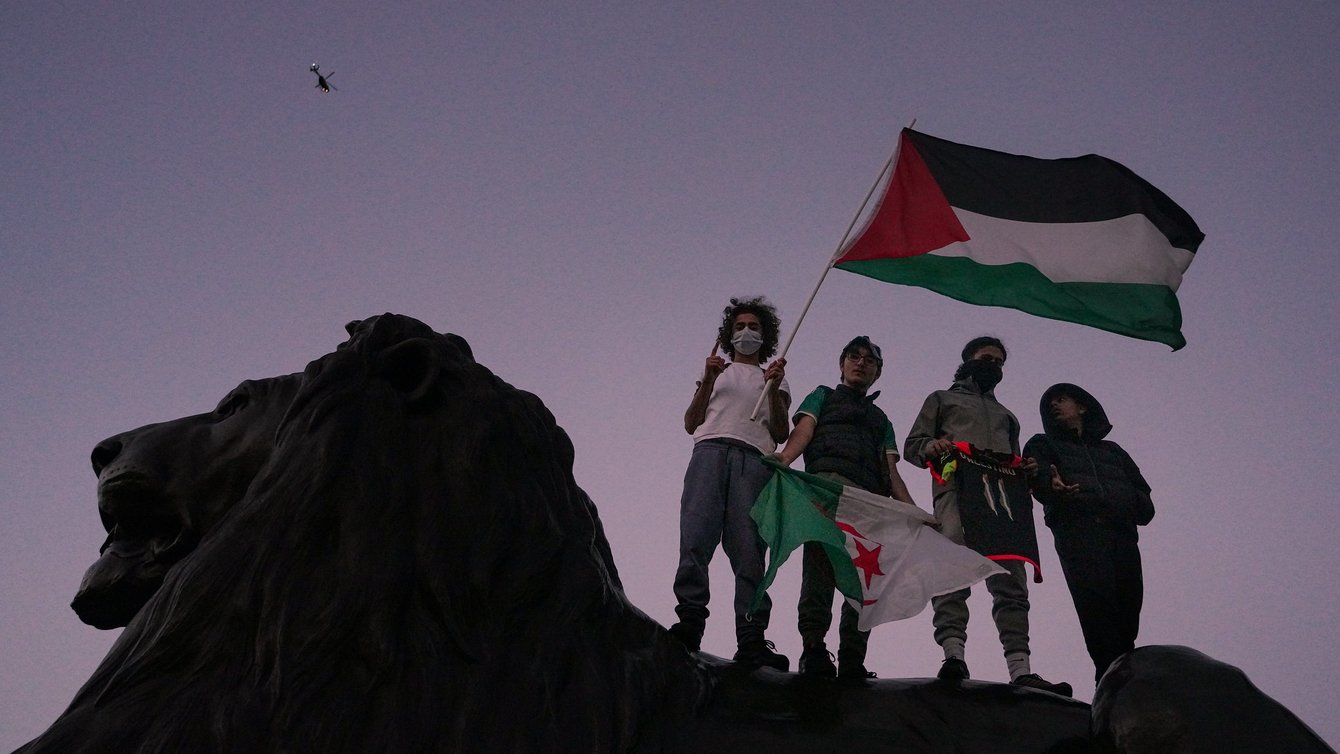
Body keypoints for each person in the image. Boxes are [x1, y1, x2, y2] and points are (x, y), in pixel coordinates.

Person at [904, 336, 1071, 695]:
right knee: (952, 570)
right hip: (957, 492)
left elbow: (1016, 460)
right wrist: (932, 446)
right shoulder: (941, 399)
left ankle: (1020, 668)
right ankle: (953, 655)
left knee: (1011, 583)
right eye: (986, 358)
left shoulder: (1007, 416)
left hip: (1005, 501)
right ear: (967, 360)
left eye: (998, 362)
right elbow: (913, 445)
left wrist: (1027, 469)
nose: (992, 366)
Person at [773, 336, 916, 680]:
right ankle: (813, 649)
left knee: (864, 579)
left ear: (877, 372)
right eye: (855, 356)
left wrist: (914, 512)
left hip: (869, 502)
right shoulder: (822, 396)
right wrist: (784, 460)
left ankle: (853, 657)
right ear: (842, 363)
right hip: (826, 491)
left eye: (870, 360)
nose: (861, 363)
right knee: (820, 570)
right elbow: (804, 431)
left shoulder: (881, 419)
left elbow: (891, 471)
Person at [669, 296, 791, 670]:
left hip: (754, 459)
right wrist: (707, 378)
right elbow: (691, 422)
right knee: (696, 535)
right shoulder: (717, 373)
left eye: (753, 327)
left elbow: (783, 431)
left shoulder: (772, 378)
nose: (746, 332)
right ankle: (690, 619)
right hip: (709, 451)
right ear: (729, 334)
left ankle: (751, 636)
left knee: (750, 548)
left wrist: (776, 388)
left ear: (764, 335)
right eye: (739, 327)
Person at [1023, 383, 1154, 685]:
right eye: (1048, 404)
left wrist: (1125, 504)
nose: (1053, 406)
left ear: (1082, 407)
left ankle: (1123, 683)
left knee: (1127, 612)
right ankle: (1108, 682)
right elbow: (1038, 479)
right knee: (1098, 611)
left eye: (1060, 399)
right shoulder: (1043, 444)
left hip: (1122, 535)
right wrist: (1051, 487)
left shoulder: (1113, 452)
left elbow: (1145, 501)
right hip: (1078, 533)